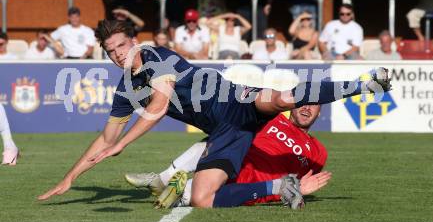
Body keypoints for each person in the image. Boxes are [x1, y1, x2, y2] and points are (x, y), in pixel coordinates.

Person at [38, 19, 391, 209]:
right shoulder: (125, 89)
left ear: (134, 42)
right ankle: (280, 187)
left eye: (121, 45)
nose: (117, 54)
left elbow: (159, 108)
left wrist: (121, 146)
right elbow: (105, 138)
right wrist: (73, 177)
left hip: (236, 100)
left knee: (284, 99)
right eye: (110, 50)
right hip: (227, 132)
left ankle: (363, 85)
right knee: (204, 199)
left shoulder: (157, 55)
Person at [125, 104, 331, 208]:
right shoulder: (271, 116)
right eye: (303, 102)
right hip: (228, 164)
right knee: (223, 136)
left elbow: (300, 182)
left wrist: (301, 190)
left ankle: (175, 193)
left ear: (320, 111)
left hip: (246, 187)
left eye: (314, 104)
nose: (307, 107)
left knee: (191, 194)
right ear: (292, 105)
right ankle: (165, 178)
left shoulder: (318, 151)